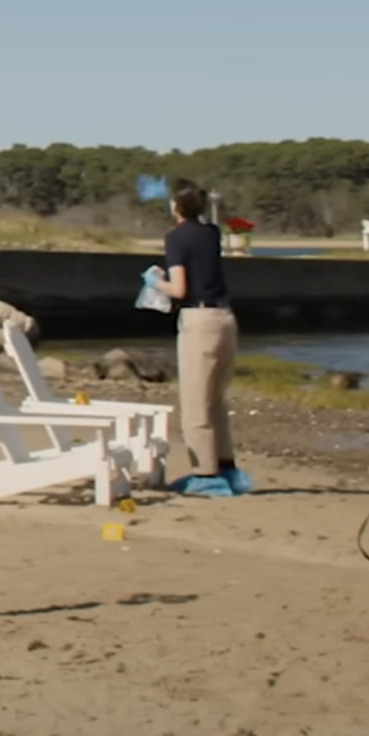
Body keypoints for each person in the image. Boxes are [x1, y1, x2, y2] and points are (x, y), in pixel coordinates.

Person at [161, 179, 248, 498]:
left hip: (199, 320)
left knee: (196, 402)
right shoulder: (210, 232)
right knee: (216, 400)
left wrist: (157, 285)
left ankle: (205, 473)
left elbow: (179, 289)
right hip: (225, 317)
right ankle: (228, 468)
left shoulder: (175, 238)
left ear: (177, 207)